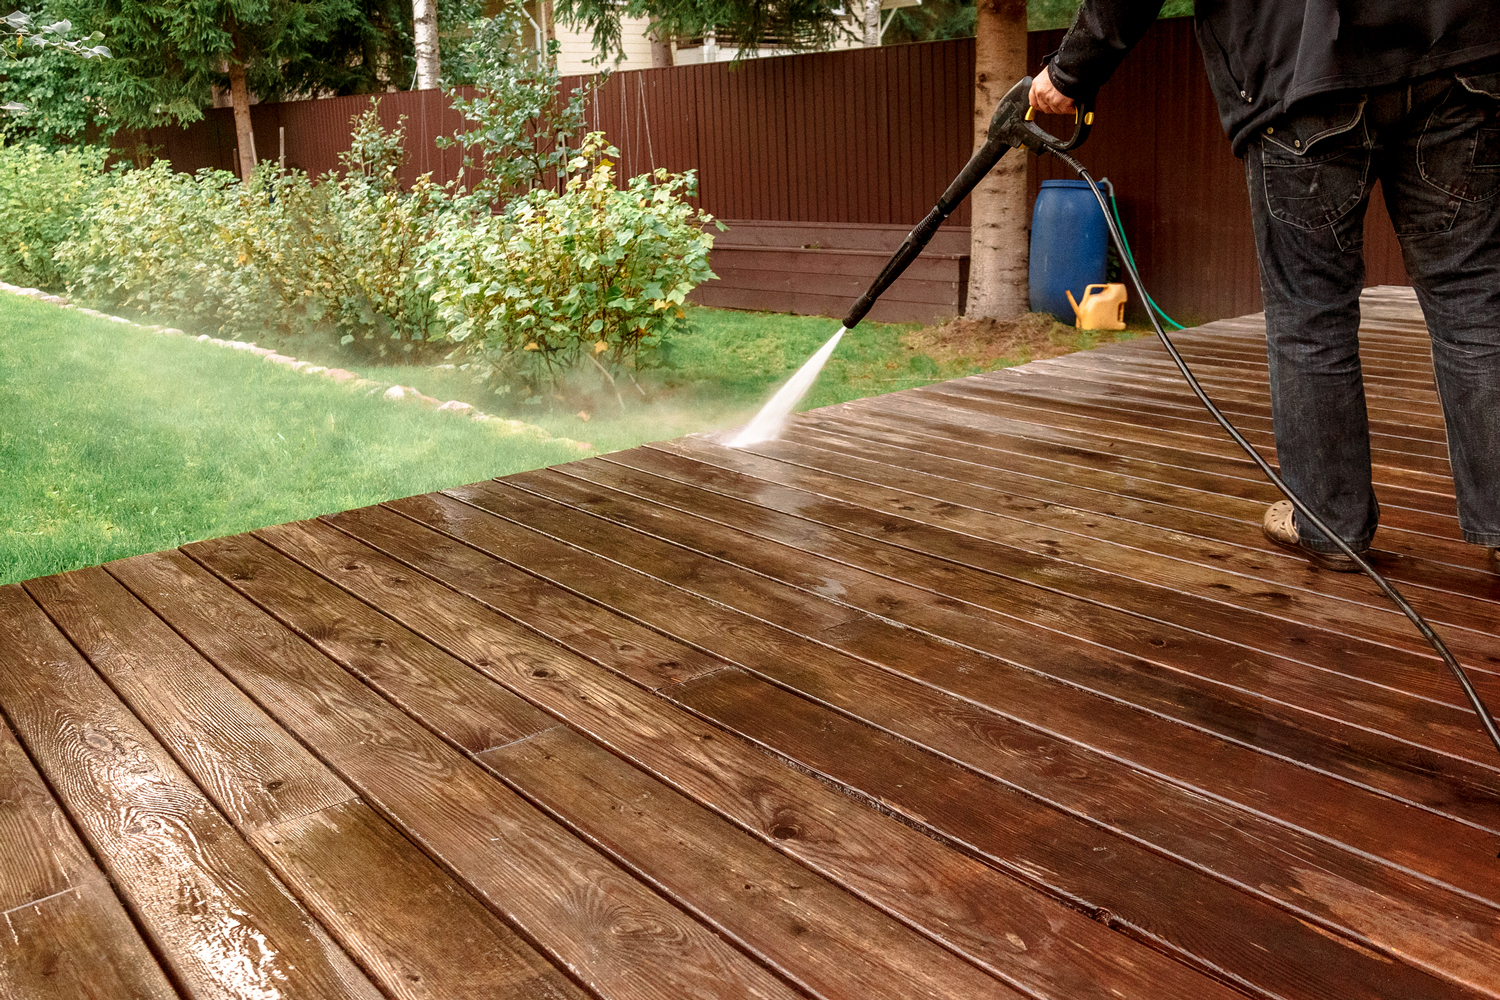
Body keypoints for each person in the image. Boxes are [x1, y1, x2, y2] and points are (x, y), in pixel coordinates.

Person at [1028, 2, 1500, 574]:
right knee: (1474, 303)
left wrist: (1069, 71)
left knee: (1310, 317)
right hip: (1457, 59)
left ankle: (1331, 527)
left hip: (1303, 71)